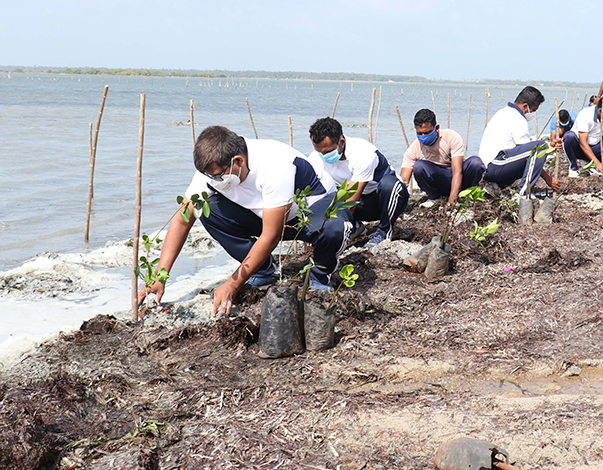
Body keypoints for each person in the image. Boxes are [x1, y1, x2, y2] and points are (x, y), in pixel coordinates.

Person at [137, 125, 352, 317]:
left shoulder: (274, 164)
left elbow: (271, 235)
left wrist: (233, 283)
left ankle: (320, 274)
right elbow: (182, 220)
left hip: (308, 212)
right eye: (210, 177)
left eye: (219, 176)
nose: (215, 182)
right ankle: (265, 271)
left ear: (238, 161)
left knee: (336, 228)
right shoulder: (211, 170)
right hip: (264, 214)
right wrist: (159, 276)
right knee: (205, 208)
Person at [309, 117, 409, 247]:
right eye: (319, 152)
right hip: (362, 203)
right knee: (326, 197)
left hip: (387, 200)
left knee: (389, 185)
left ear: (342, 142)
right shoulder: (315, 158)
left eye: (328, 152)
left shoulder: (363, 153)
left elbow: (351, 202)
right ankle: (355, 228)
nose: (323, 156)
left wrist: (334, 229)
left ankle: (384, 231)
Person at [478, 86, 562, 197]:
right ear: (525, 106)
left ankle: (494, 186)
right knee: (540, 146)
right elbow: (534, 152)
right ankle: (522, 195)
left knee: (536, 152)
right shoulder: (517, 117)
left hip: (488, 169)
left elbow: (526, 152)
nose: (532, 113)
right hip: (495, 165)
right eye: (533, 110)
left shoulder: (503, 112)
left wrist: (549, 147)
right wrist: (548, 178)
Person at [399, 108, 485, 206]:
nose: (423, 136)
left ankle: (468, 195)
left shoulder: (450, 137)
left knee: (476, 163)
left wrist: (452, 199)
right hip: (438, 181)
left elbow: (458, 171)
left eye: (427, 133)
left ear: (436, 128)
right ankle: (434, 198)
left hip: (458, 177)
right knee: (419, 167)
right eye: (420, 133)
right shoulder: (413, 149)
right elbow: (403, 182)